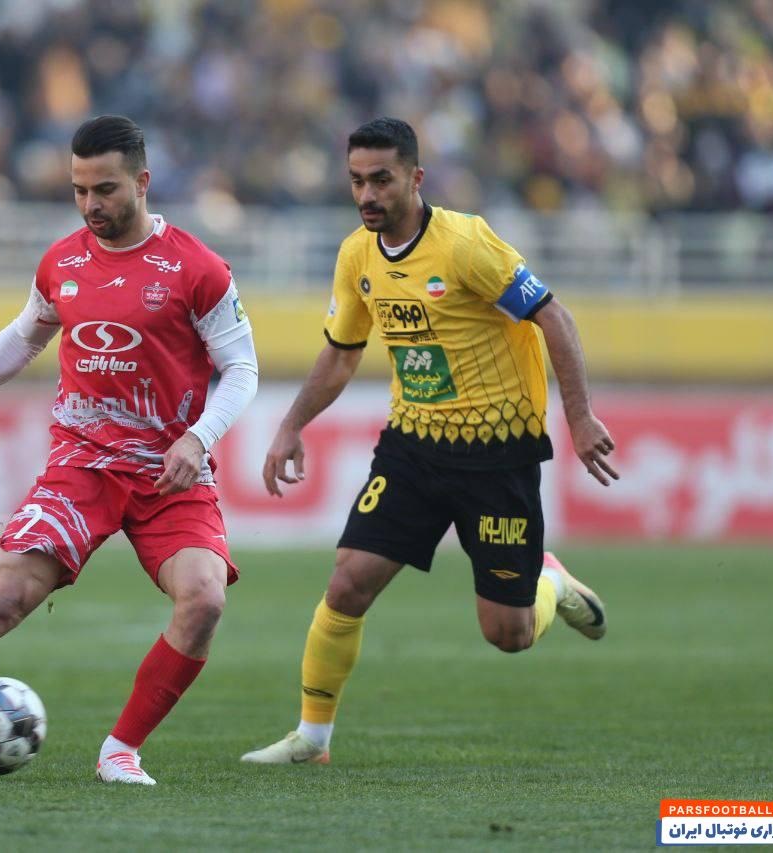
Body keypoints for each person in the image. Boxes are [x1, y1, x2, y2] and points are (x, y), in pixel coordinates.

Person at [0, 115, 258, 785]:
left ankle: (120, 751)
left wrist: (199, 438)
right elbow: (25, 337)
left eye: (105, 189)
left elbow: (242, 368)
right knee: (1, 596)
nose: (90, 205)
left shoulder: (197, 268)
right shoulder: (62, 263)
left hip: (168, 468)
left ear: (142, 181)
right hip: (83, 465)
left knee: (204, 601)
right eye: (79, 190)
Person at [241, 118, 618, 765]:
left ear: (415, 178)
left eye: (381, 180)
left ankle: (550, 583)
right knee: (348, 581)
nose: (367, 194)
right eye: (357, 181)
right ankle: (312, 737)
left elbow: (553, 316)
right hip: (413, 446)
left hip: (497, 452)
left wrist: (579, 417)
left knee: (508, 633)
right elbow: (341, 353)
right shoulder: (357, 256)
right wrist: (291, 423)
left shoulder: (466, 245)